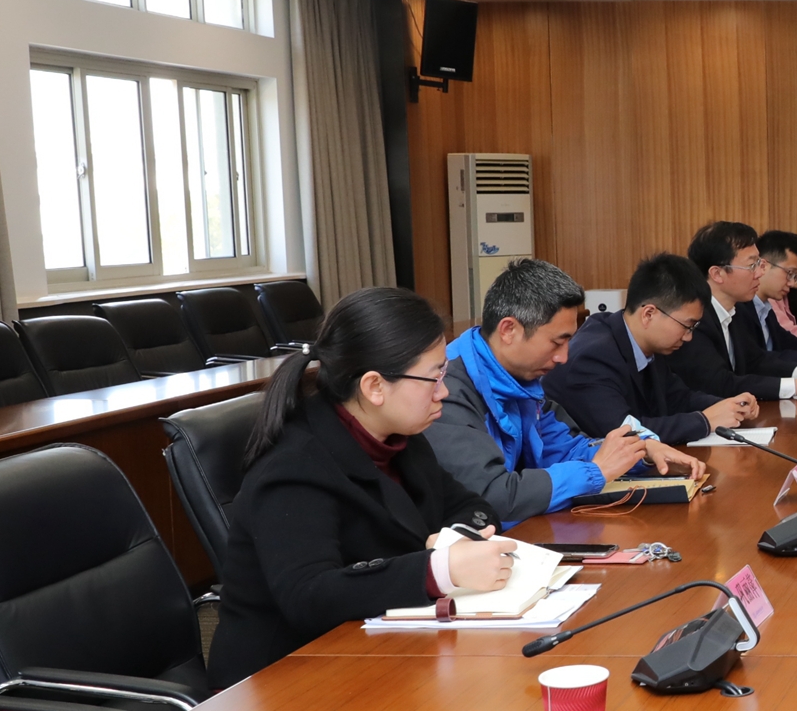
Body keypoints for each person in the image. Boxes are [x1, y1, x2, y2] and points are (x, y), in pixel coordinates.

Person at [209, 287, 515, 686]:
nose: (444, 391)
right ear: (374, 387)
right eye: (434, 376)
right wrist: (438, 568)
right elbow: (309, 595)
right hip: (283, 681)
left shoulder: (400, 439)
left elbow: (475, 507)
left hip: (376, 651)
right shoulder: (295, 466)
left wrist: (450, 541)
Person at [426, 257, 702, 527]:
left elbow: (566, 448)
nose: (563, 357)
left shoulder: (522, 380)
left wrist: (639, 450)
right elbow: (493, 495)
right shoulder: (446, 392)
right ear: (509, 330)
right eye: (557, 342)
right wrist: (595, 472)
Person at [544, 252, 759, 443]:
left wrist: (729, 406)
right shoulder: (592, 357)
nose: (689, 337)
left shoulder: (646, 343)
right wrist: (705, 421)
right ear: (649, 314)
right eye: (687, 326)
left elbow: (678, 398)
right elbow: (624, 433)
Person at [681, 220, 797, 401]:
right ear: (717, 274)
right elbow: (720, 384)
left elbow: (756, 361)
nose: (759, 273)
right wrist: (796, 386)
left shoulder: (736, 309)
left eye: (760, 264)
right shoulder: (694, 319)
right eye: (752, 265)